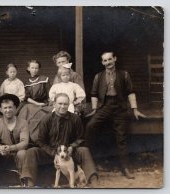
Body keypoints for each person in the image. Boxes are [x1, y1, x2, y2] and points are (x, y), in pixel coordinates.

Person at [85, 51, 146, 179]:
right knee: (90, 126)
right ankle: (89, 164)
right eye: (105, 60)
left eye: (110, 59)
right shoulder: (98, 76)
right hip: (104, 106)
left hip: (120, 107)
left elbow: (130, 92)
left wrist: (135, 109)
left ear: (115, 59)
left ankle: (125, 167)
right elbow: (94, 94)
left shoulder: (124, 74)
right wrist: (95, 109)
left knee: (121, 137)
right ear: (102, 62)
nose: (108, 62)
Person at [21, 93, 98, 187]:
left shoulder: (75, 119)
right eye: (60, 103)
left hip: (69, 154)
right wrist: (53, 153)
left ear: (69, 105)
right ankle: (29, 184)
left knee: (84, 150)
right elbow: (40, 141)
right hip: (50, 153)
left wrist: (72, 147)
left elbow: (81, 138)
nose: (63, 106)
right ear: (54, 104)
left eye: (65, 104)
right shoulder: (46, 119)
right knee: (31, 151)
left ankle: (94, 183)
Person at [0, 94, 29, 187]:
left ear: (15, 108)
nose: (8, 110)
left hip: (17, 151)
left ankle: (23, 179)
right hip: (2, 152)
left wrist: (11, 148)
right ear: (1, 109)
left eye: (10, 107)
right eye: (5, 108)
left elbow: (24, 142)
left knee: (23, 153)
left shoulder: (23, 122)